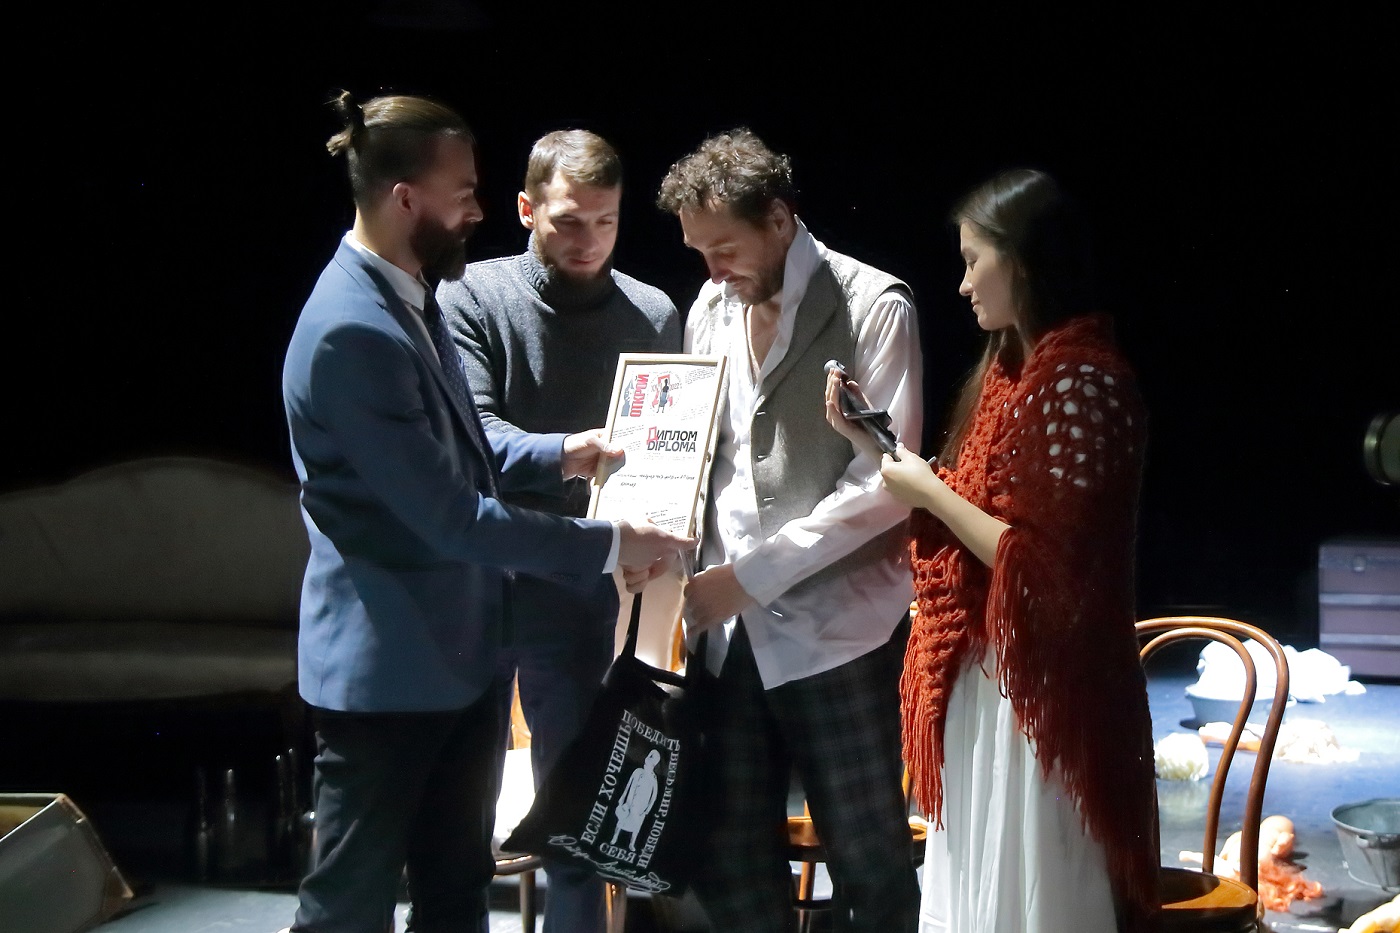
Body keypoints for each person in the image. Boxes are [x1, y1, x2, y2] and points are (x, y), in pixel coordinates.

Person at [281, 91, 692, 933]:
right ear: (407, 199)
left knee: (456, 889)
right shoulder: (353, 329)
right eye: (463, 192)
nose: (475, 210)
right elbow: (454, 517)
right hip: (387, 669)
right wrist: (609, 541)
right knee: (350, 902)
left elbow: (467, 451)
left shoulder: (410, 294)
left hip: (454, 661)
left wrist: (564, 453)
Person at [824, 168, 1158, 932]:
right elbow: (981, 515)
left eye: (975, 260)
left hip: (1041, 697)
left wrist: (929, 492)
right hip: (988, 685)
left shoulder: (1082, 384)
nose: (964, 282)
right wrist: (875, 448)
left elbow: (1045, 568)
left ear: (1026, 260)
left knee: (1030, 902)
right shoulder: (1011, 376)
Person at [657, 128, 924, 932]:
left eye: (724, 248)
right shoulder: (711, 309)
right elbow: (704, 458)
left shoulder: (872, 304)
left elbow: (884, 483)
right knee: (732, 862)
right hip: (726, 635)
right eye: (699, 252)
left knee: (870, 863)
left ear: (778, 219)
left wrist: (750, 577)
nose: (712, 270)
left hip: (835, 634)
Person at [436, 128, 680, 933]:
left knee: (575, 808)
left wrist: (656, 531)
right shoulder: (471, 295)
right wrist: (568, 451)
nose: (589, 241)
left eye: (606, 222)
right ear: (525, 208)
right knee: (458, 809)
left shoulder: (650, 313)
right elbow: (471, 437)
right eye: (570, 221)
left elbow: (670, 451)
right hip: (476, 578)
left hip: (577, 584)